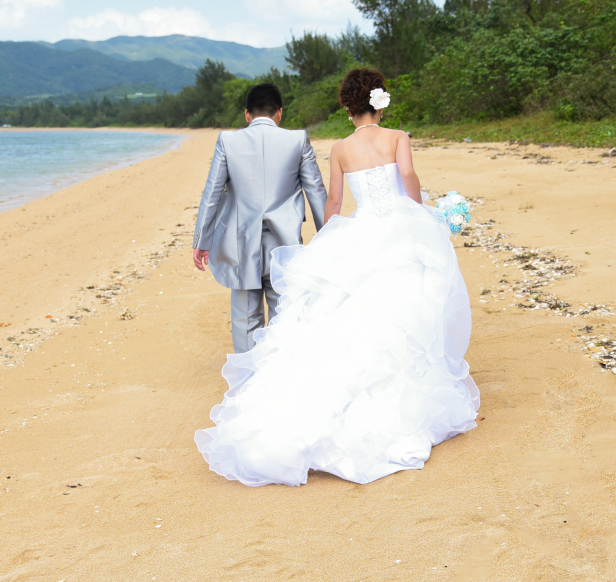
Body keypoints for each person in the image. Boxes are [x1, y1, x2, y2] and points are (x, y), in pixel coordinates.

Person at [195, 67, 479, 487]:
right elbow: (408, 178)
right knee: (407, 303)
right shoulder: (397, 137)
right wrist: (423, 214)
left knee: (322, 313)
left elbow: (332, 200)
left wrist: (328, 240)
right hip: (398, 230)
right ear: (380, 102)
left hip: (353, 231)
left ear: (347, 107)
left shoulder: (339, 149)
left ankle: (270, 389)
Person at [192, 82, 327, 353]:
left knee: (245, 318)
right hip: (284, 243)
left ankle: (247, 380)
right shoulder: (297, 139)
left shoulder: (227, 141)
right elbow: (316, 192)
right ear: (279, 113)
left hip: (239, 243)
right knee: (284, 314)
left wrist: (201, 240)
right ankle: (277, 378)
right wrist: (329, 237)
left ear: (247, 114)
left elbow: (212, 194)